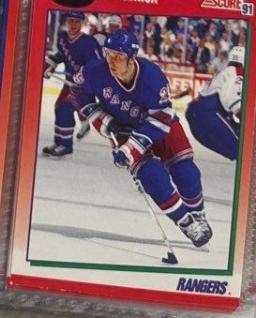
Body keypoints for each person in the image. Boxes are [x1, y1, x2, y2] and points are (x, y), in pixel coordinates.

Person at [73, 28, 212, 247]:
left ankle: (198, 215)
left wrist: (130, 148)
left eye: (118, 57)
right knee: (152, 177)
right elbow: (77, 89)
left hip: (159, 125)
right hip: (122, 129)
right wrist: (100, 119)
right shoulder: (95, 71)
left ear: (132, 58)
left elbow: (162, 118)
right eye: (109, 54)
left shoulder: (152, 77)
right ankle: (186, 223)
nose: (111, 61)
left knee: (186, 172)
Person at [41, 13, 102, 158]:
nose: (73, 24)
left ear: (82, 23)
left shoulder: (88, 42)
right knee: (59, 108)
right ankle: (59, 142)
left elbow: (96, 66)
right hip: (69, 83)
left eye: (77, 21)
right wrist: (50, 65)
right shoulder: (63, 37)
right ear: (67, 22)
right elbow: (61, 55)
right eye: (71, 21)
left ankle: (66, 145)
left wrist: (86, 81)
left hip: (83, 87)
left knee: (65, 109)